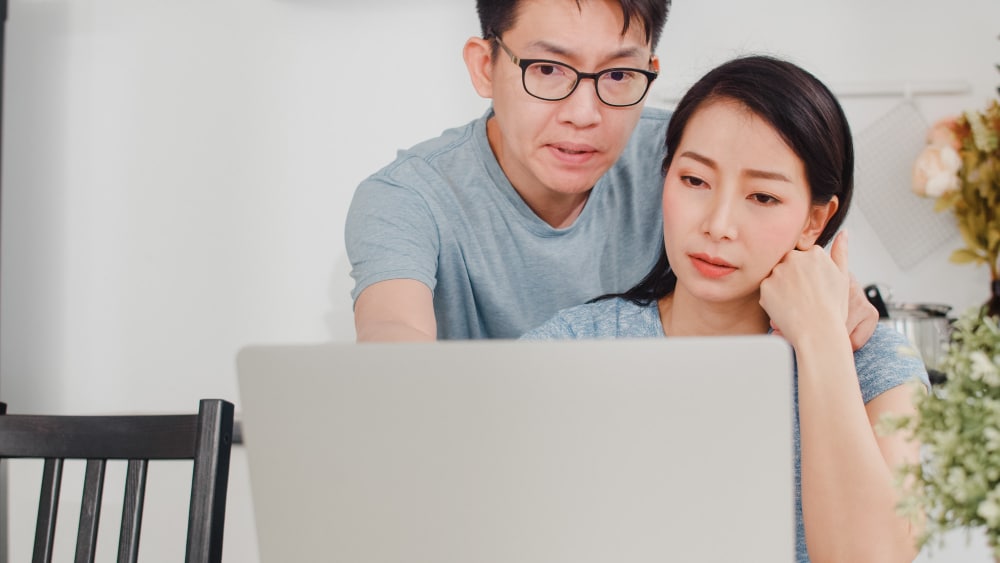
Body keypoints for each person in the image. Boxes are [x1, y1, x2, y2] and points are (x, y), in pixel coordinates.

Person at [522, 55, 928, 562]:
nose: (717, 225)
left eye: (762, 197)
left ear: (815, 221)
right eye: (695, 181)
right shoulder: (575, 348)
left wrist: (821, 341)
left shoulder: (875, 366)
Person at [345, 0, 878, 344]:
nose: (584, 114)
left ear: (651, 71)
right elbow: (392, 339)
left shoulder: (686, 160)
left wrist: (834, 297)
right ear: (485, 66)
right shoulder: (408, 197)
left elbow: (783, 231)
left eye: (619, 75)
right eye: (547, 69)